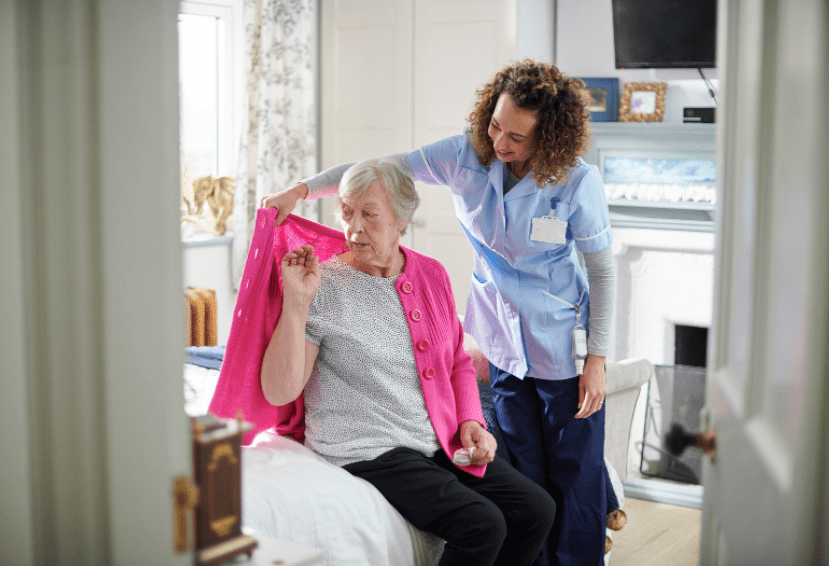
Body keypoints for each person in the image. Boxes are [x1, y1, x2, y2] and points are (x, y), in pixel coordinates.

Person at [262, 59, 616, 566]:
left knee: (576, 483)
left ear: (548, 138)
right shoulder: (463, 157)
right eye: (496, 124)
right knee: (528, 481)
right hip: (501, 344)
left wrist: (597, 358)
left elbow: (602, 272)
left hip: (561, 343)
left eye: (517, 136)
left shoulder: (576, 183)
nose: (500, 142)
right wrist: (299, 191)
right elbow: (377, 173)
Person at [260, 157, 556, 566]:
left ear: (402, 219)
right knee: (481, 524)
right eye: (347, 212)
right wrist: (295, 302)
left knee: (536, 509)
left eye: (369, 214)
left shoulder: (431, 274)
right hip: (364, 446)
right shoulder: (322, 285)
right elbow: (281, 390)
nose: (354, 227)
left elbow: (456, 362)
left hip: (432, 438)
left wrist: (471, 421)